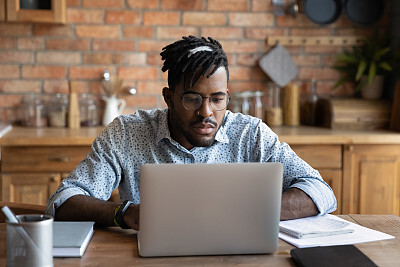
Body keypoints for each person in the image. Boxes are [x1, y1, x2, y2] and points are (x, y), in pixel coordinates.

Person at [46, 36, 336, 231]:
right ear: (168, 97)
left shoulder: (251, 135)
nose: (206, 112)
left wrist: (251, 210)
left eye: (217, 99)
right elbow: (62, 202)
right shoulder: (126, 133)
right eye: (192, 99)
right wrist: (125, 213)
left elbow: (320, 191)